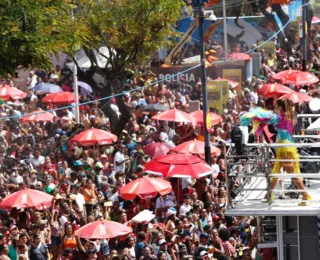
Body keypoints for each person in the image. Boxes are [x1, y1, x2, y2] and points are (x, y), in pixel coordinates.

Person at [240, 99, 312, 205]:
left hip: (285, 147)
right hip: (287, 145)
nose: (274, 109)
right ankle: (269, 194)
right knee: (277, 171)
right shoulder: (289, 116)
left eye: (276, 107)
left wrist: (253, 115)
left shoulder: (281, 117)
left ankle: (305, 195)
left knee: (290, 172)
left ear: (280, 107)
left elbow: (267, 118)